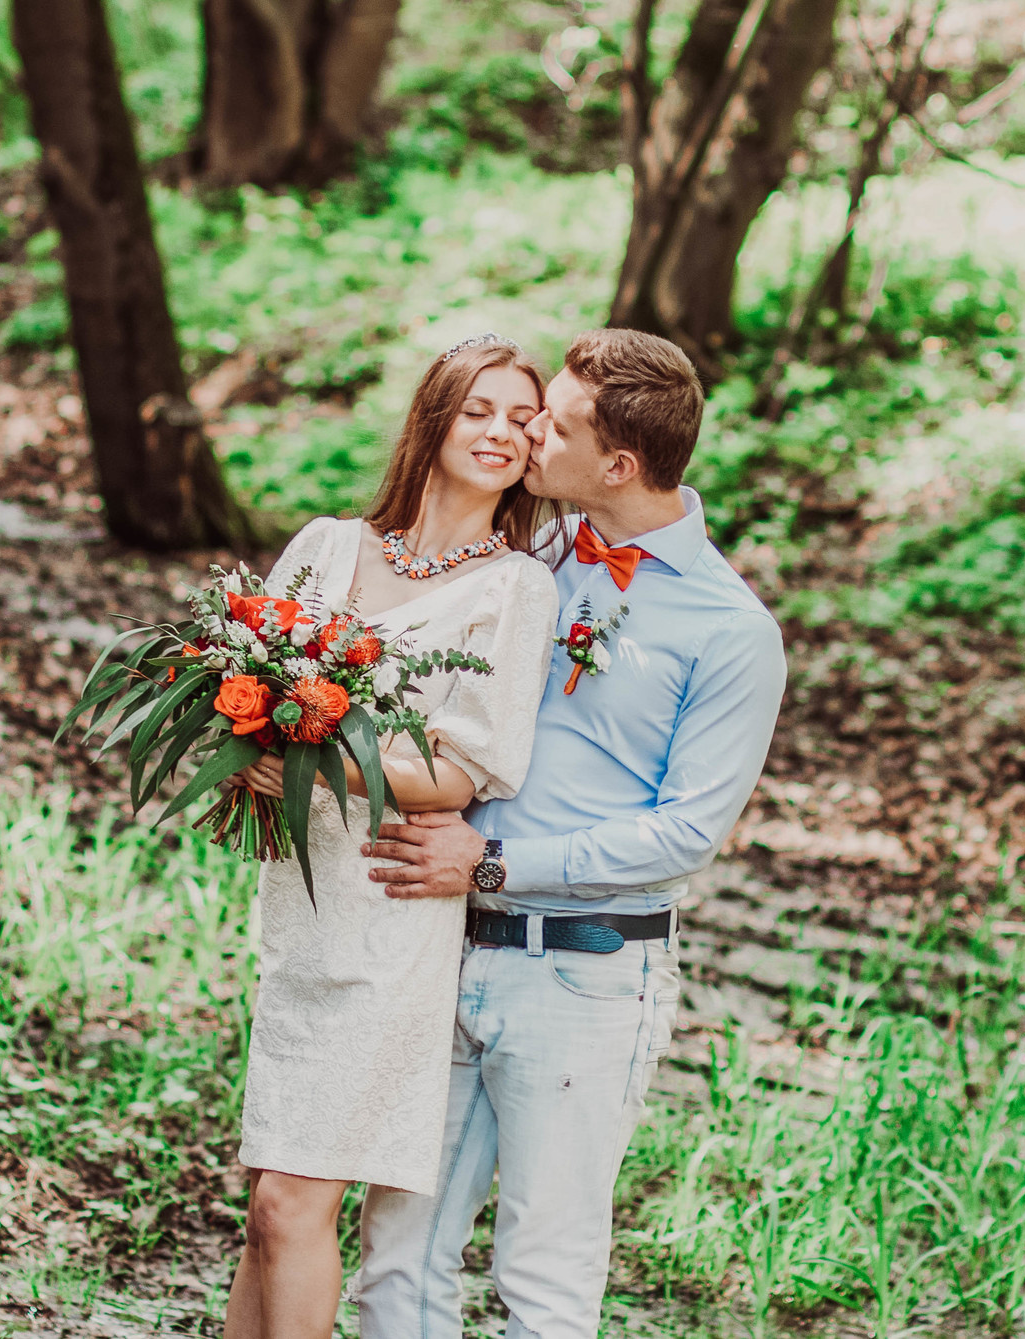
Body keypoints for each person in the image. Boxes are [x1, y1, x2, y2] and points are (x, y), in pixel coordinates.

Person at [355, 328, 789, 1339]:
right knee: (397, 1258)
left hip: (585, 978)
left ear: (619, 465)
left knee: (542, 1279)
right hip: (441, 944)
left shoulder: (731, 632)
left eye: (549, 422)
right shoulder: (530, 556)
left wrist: (495, 860)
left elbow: (687, 832)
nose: (526, 432)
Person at [225, 333, 562, 1339]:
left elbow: (466, 770)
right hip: (300, 903)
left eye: (521, 419)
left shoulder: (514, 590)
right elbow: (240, 696)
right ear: (434, 417)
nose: (500, 433)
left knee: (296, 1204)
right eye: (480, 411)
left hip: (389, 910)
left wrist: (322, 753)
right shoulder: (327, 548)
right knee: (264, 1213)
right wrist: (247, 748)